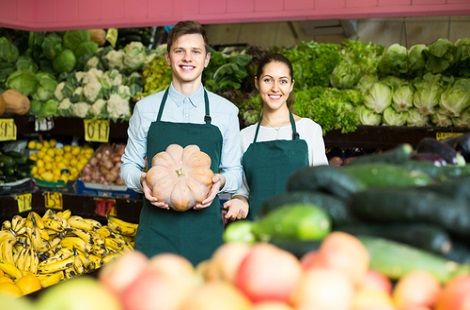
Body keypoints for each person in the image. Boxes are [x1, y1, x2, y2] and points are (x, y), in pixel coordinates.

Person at [120, 20, 243, 265]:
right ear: (168, 58)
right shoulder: (146, 110)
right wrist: (141, 180)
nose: (188, 58)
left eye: (195, 51)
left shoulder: (226, 111)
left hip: (205, 233)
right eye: (180, 51)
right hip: (157, 231)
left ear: (206, 59)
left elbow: (235, 172)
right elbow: (128, 166)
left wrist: (222, 181)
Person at [223, 53, 329, 221]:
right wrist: (238, 200)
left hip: (299, 229)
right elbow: (242, 190)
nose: (275, 88)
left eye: (283, 81)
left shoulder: (309, 129)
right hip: (256, 229)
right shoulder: (245, 137)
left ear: (291, 85)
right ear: (257, 83)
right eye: (267, 80)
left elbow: (322, 184)